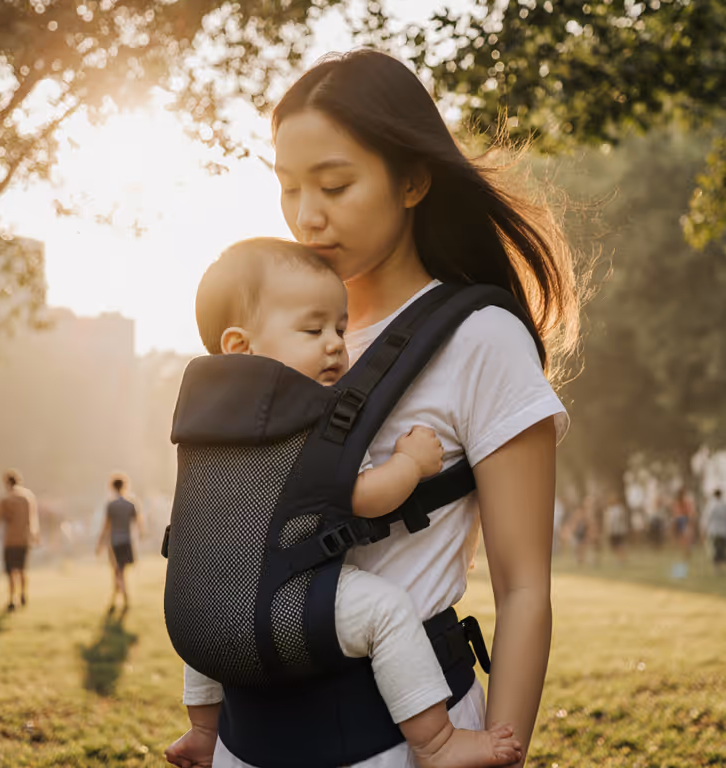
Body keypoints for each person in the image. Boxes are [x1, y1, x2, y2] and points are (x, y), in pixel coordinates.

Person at [166, 48, 574, 768]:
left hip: (396, 740)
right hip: (246, 737)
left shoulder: (480, 339)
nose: (305, 216)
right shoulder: (279, 337)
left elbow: (524, 588)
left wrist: (499, 750)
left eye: (333, 184)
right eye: (289, 188)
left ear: (412, 180)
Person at [176, 239, 523, 767]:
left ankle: (203, 729)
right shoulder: (304, 419)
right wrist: (411, 463)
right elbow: (362, 497)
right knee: (385, 611)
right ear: (240, 346)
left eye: (340, 328)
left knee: (212, 610)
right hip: (289, 599)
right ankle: (436, 742)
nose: (337, 345)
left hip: (212, 593)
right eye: (313, 331)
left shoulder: (205, 423)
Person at [95, 472, 145, 612]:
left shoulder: (111, 505)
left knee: (118, 572)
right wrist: (141, 535)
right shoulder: (130, 504)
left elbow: (106, 527)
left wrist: (99, 544)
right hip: (127, 541)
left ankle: (124, 600)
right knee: (120, 571)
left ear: (112, 487)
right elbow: (138, 522)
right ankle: (116, 599)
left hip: (115, 542)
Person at [0, 469, 39, 611]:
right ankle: (23, 594)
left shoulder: (5, 500)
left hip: (10, 540)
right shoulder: (28, 497)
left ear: (6, 483)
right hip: (24, 539)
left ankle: (12, 599)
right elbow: (33, 519)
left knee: (11, 571)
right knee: (22, 569)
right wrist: (34, 536)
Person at [702, 489, 726, 575]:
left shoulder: (711, 506)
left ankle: (717, 569)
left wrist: (704, 529)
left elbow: (707, 518)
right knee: (721, 551)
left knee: (715, 551)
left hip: (714, 531)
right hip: (724, 532)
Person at [671, 487, 696, 560]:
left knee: (686, 537)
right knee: (682, 538)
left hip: (684, 519)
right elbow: (675, 513)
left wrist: (690, 520)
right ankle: (685, 552)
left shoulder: (686, 502)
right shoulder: (677, 502)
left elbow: (690, 512)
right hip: (679, 520)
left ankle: (687, 551)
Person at [603, 494, 627, 565]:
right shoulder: (609, 509)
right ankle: (619, 558)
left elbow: (621, 519)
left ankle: (621, 559)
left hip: (618, 531)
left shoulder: (620, 509)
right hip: (612, 531)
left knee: (619, 545)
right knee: (614, 546)